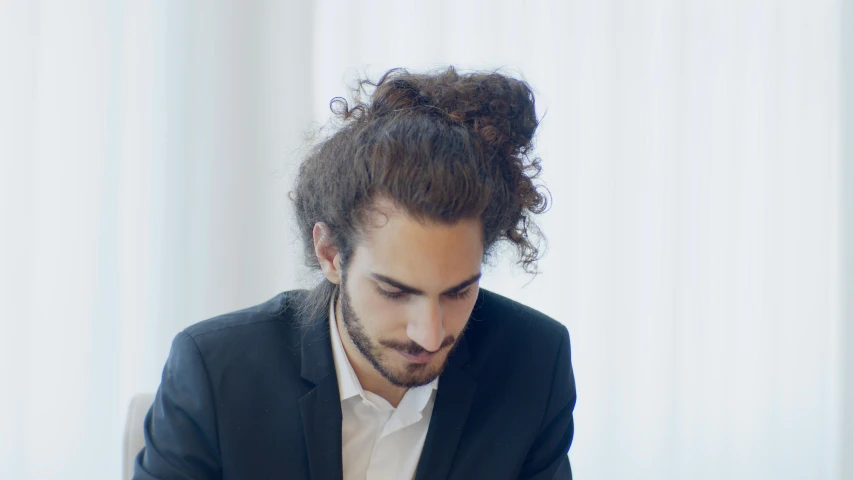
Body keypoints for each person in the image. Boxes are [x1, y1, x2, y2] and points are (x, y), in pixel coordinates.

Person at [134, 66, 577, 480]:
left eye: (458, 292)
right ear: (330, 254)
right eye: (395, 292)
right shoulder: (215, 372)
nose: (429, 334)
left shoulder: (534, 364)